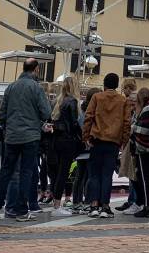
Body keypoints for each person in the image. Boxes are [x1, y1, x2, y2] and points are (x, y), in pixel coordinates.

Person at [0, 58, 52, 221]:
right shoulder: (36, 88)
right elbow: (46, 112)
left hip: (12, 137)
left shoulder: (11, 87)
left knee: (6, 171)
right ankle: (21, 210)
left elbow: (2, 114)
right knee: (26, 173)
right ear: (36, 69)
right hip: (30, 137)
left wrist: (9, 128)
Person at [82, 72, 131, 219]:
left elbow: (88, 117)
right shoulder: (123, 101)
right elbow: (127, 123)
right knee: (107, 175)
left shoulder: (97, 97)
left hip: (97, 139)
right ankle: (105, 206)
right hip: (113, 142)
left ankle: (93, 205)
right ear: (117, 85)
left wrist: (86, 137)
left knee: (94, 174)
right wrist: (123, 140)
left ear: (104, 84)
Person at [48, 76, 83, 217]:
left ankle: (55, 203)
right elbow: (73, 123)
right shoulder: (72, 101)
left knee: (57, 173)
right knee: (64, 172)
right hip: (68, 141)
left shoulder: (57, 101)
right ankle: (57, 204)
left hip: (56, 140)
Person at [131, 87, 149, 219]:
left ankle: (147, 206)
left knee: (143, 178)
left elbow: (142, 130)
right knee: (148, 177)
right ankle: (148, 205)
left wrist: (132, 128)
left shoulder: (146, 109)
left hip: (143, 149)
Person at [70, 88, 100, 215]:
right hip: (90, 147)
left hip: (80, 148)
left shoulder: (81, 110)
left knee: (79, 176)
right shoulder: (93, 111)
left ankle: (76, 201)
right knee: (89, 176)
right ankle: (88, 201)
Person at [115, 78, 140, 212]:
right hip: (135, 141)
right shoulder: (138, 98)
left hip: (131, 141)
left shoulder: (130, 100)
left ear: (127, 88)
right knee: (133, 172)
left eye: (123, 88)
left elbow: (127, 121)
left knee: (132, 172)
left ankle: (134, 201)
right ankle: (132, 199)